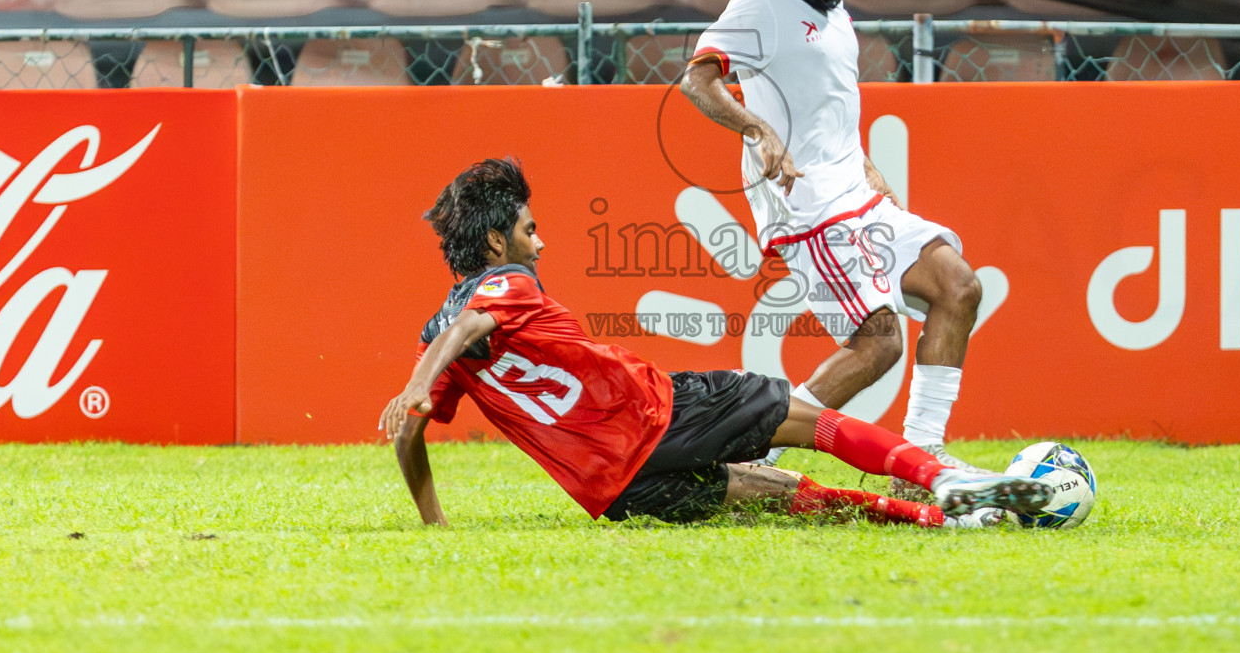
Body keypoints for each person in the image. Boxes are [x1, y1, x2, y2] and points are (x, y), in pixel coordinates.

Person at [379, 158, 1051, 529]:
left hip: (615, 492)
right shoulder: (505, 286)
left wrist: (433, 519)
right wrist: (413, 388)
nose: (540, 241)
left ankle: (936, 522)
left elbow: (410, 433)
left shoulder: (431, 335)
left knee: (772, 492)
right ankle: (949, 482)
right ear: (497, 244)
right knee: (813, 423)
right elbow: (476, 326)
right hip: (661, 411)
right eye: (530, 229)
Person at [679, 0, 989, 489]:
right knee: (879, 343)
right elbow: (697, 80)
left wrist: (869, 167)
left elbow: (830, 106)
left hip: (858, 197)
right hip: (809, 208)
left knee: (959, 286)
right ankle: (754, 454)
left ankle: (921, 456)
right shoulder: (760, 5)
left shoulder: (835, 9)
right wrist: (755, 129)